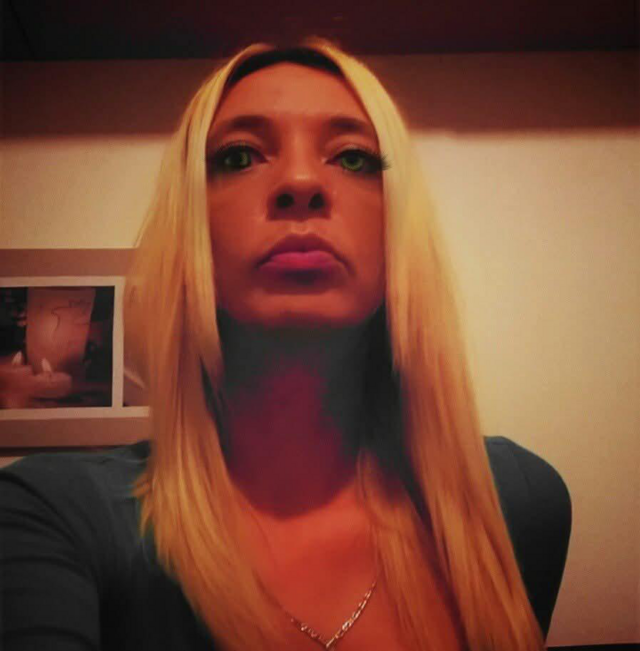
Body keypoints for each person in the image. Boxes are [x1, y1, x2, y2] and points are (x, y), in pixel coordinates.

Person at [0, 36, 572, 651]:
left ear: (398, 226)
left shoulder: (516, 501)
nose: (301, 181)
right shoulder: (49, 515)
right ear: (191, 229)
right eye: (239, 156)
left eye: (353, 157)